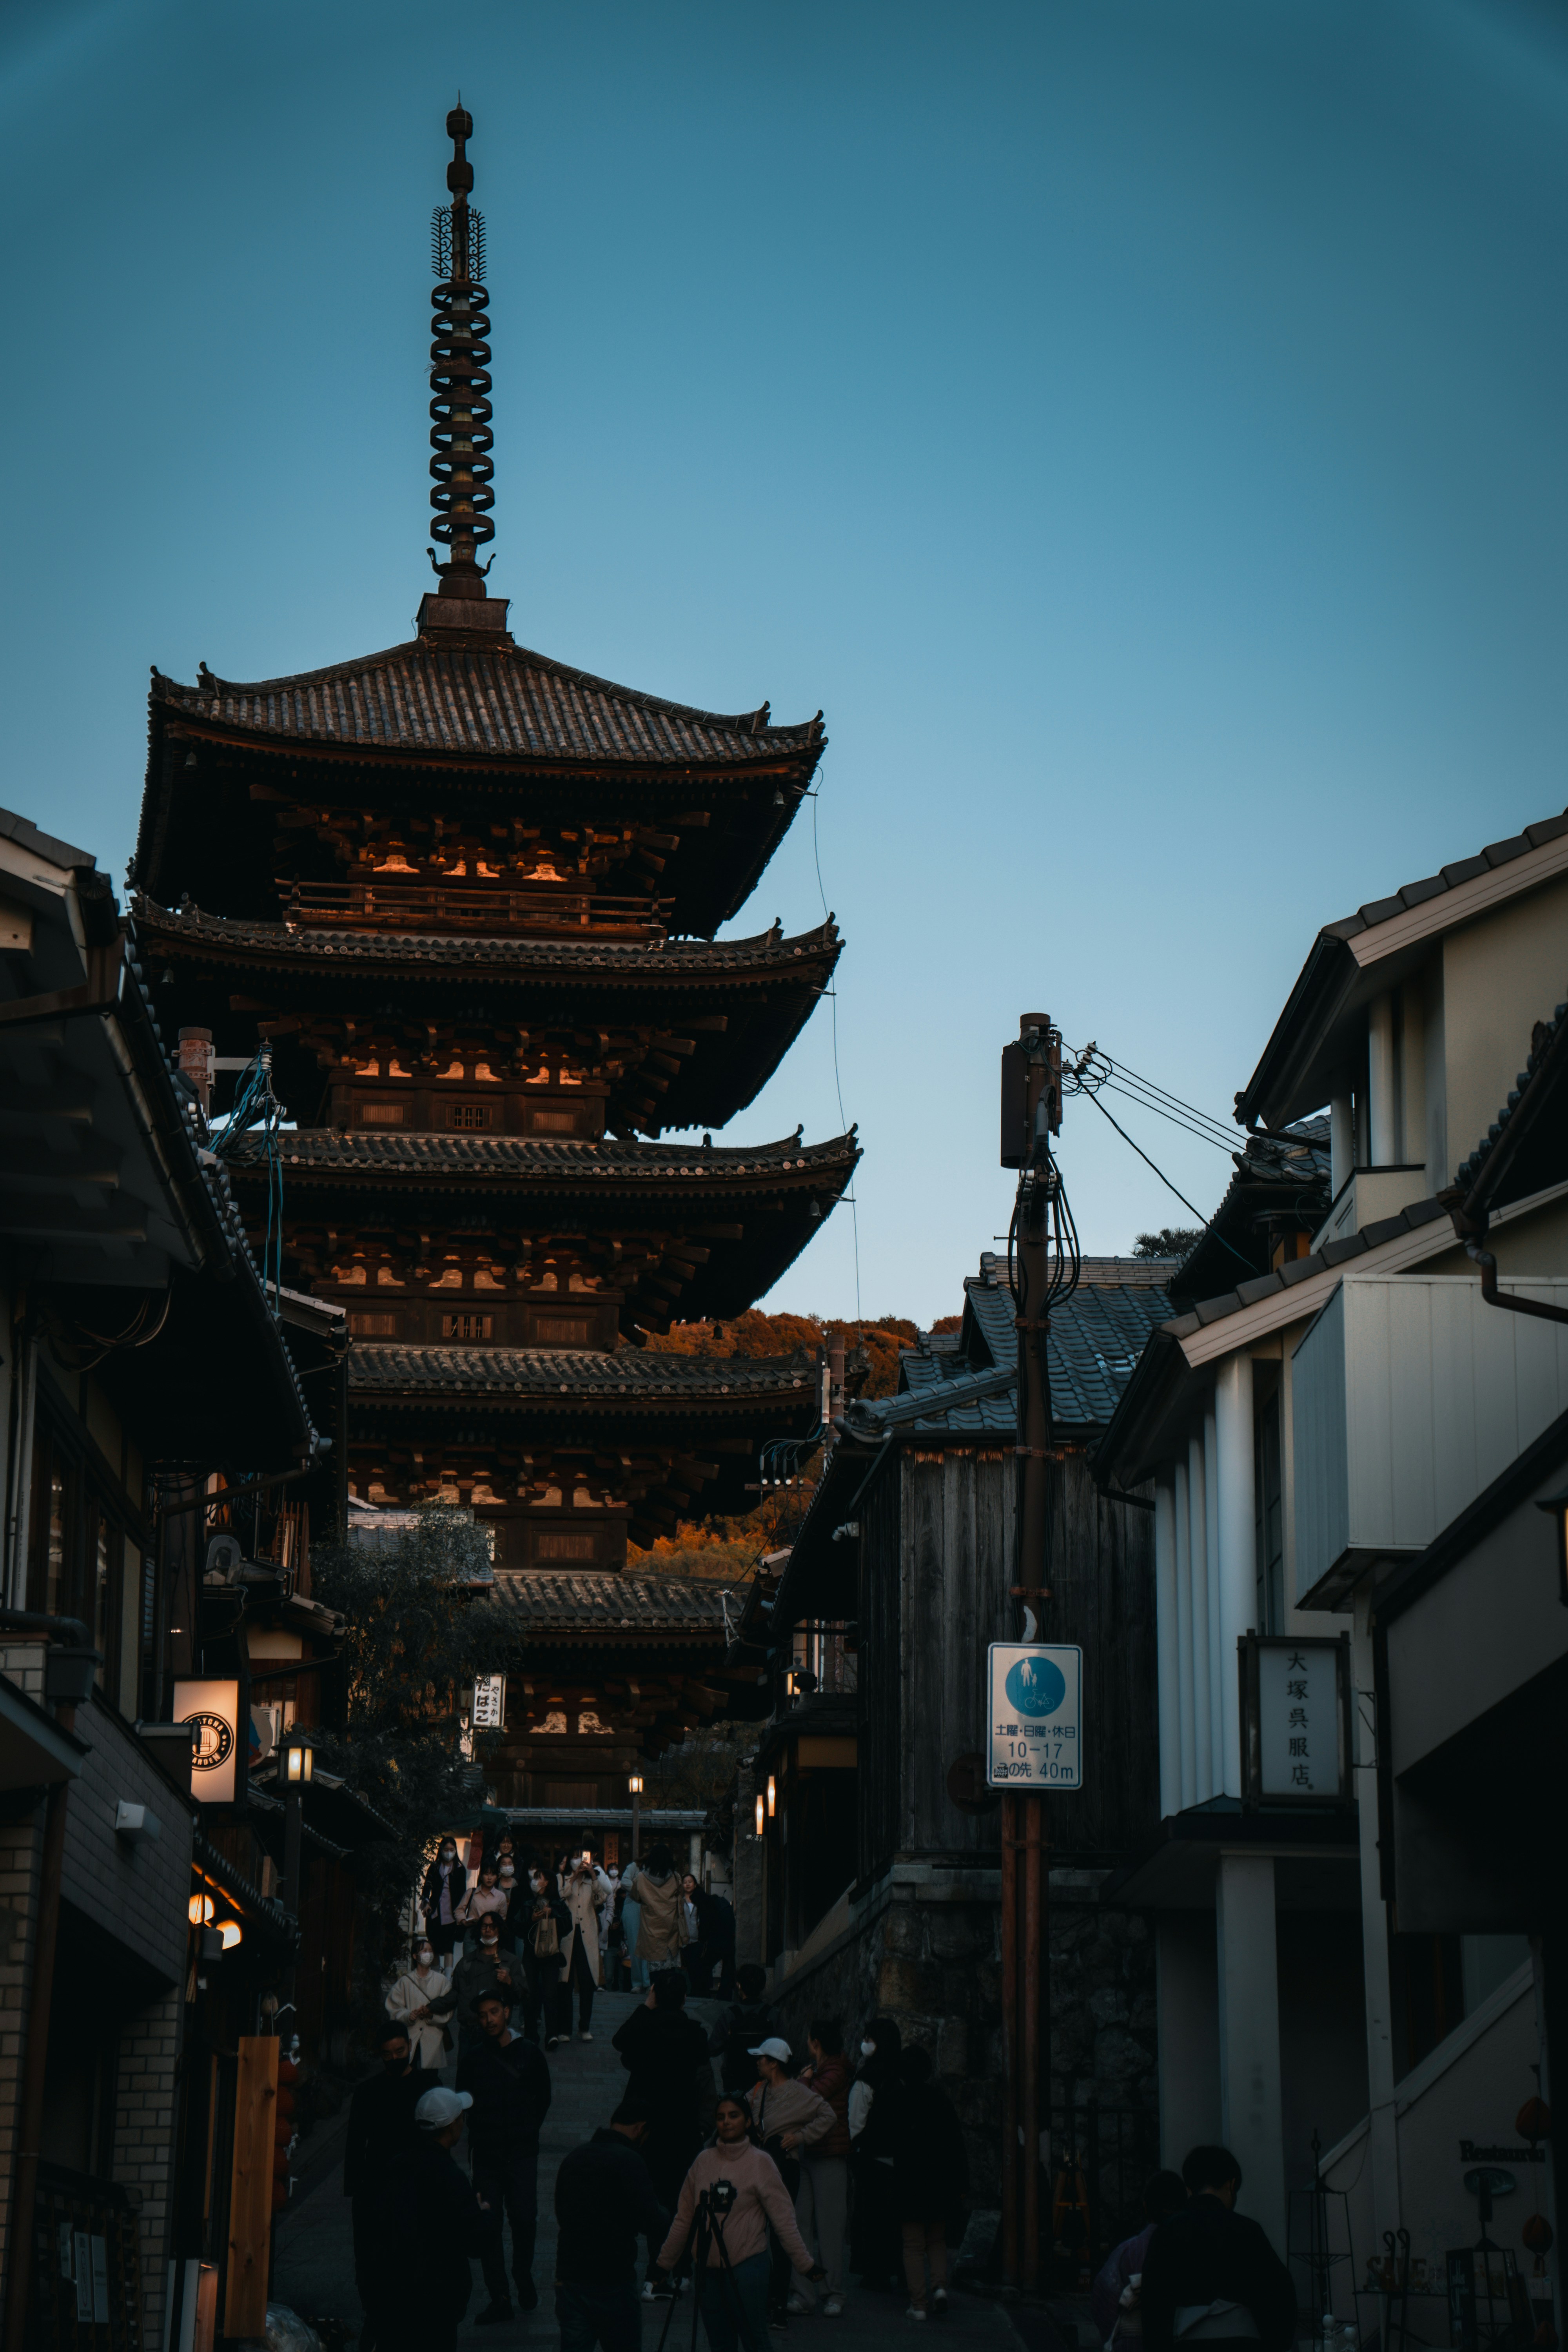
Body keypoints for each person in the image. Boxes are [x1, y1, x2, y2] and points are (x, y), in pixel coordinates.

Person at [655, 2092, 826, 2352]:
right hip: (708, 2271)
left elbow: (784, 2221)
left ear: (748, 2121)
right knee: (719, 2343)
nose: (726, 2122)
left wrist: (806, 2265)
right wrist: (663, 2265)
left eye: (734, 2116)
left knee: (754, 2339)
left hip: (747, 2268)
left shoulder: (761, 2162)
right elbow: (684, 2219)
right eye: (721, 2117)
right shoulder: (703, 2162)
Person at [457, 1984, 554, 2323]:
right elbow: (463, 2102)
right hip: (486, 2157)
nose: (488, 2020)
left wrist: (527, 2129)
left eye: (494, 2012)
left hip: (522, 2154)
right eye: (482, 2015)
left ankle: (522, 2273)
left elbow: (544, 2097)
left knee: (525, 2220)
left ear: (507, 2012)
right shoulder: (472, 2059)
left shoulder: (529, 2053)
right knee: (489, 2225)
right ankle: (500, 2295)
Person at [1139, 2146, 1296, 2352]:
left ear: (1190, 2189)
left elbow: (1153, 2304)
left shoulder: (1167, 2233)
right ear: (1231, 2185)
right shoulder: (1248, 2231)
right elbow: (1280, 2295)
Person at [376, 2085, 490, 2352]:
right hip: (438, 2295)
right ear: (453, 2126)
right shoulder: (450, 2177)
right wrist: (482, 2213)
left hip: (396, 2290)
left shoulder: (396, 2167)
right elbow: (475, 2243)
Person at [344, 2020, 434, 2352]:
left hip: (413, 2184)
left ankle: (398, 2318)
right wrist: (356, 2188)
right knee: (371, 2259)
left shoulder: (427, 2086)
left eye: (400, 2051)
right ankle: (376, 2315)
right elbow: (355, 2143)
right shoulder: (368, 2092)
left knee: (408, 2255)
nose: (395, 2058)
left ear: (409, 2048)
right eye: (388, 2054)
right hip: (377, 2186)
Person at [554, 2095, 670, 2352]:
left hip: (571, 2277)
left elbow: (561, 2212)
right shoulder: (630, 2161)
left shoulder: (575, 2157)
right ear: (641, 2129)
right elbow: (652, 2220)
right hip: (612, 2280)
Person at [612, 1968, 714, 2244]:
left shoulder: (646, 2030)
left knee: (651, 2200)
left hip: (647, 2130)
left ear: (656, 1995)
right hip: (683, 2128)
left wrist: (647, 2007)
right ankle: (679, 2269)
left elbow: (619, 2042)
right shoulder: (695, 2035)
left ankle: (656, 2271)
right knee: (681, 2201)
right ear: (684, 1999)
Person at [744, 2038, 834, 2324]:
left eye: (762, 2058)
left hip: (785, 2167)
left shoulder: (798, 2092)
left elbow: (827, 2115)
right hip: (761, 2166)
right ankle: (766, 2297)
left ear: (773, 2063)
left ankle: (778, 2303)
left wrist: (801, 2137)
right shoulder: (759, 2090)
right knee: (758, 2232)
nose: (757, 2062)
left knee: (781, 2236)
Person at [893, 2047, 967, 2321]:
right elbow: (957, 2145)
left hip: (910, 2182)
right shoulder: (940, 2100)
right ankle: (939, 2288)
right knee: (937, 2238)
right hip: (940, 2182)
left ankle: (919, 2304)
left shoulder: (898, 2100)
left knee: (913, 2244)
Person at [793, 2019, 852, 2316]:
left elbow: (809, 2100)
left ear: (816, 2042)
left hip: (829, 2154)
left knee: (830, 2226)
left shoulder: (836, 2071)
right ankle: (804, 2293)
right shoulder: (821, 2069)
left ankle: (833, 2293)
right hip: (807, 2151)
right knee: (799, 2222)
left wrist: (803, 2080)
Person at [1091, 2172, 1189, 2347]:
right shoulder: (1192, 2249)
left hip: (1132, 2342)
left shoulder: (1128, 2252)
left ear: (1146, 2207)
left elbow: (1104, 2301)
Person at [849, 2017, 904, 2291]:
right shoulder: (902, 2077)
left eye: (870, 2039)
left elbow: (856, 2123)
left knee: (871, 2220)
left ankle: (874, 2272)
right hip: (900, 2160)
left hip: (871, 2159)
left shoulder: (866, 2078)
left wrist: (857, 2151)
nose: (865, 2044)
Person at [557, 1848, 613, 2042]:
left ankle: (585, 2027)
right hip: (567, 1936)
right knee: (566, 1983)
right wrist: (573, 1879)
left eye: (580, 1858)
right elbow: (561, 1897)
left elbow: (602, 1899)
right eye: (574, 1858)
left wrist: (591, 1874)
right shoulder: (561, 1879)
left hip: (587, 1936)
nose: (577, 1861)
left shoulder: (592, 1880)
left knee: (587, 1981)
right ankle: (565, 2029)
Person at [708, 1964, 782, 2097]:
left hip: (735, 2080)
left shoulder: (729, 2014)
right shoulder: (773, 2014)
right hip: (766, 2080)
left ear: (739, 1986)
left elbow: (713, 2048)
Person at [385, 1936, 456, 2074]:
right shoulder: (405, 1982)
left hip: (433, 2040)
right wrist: (407, 2015)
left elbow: (449, 2011)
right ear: (415, 1956)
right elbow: (393, 2008)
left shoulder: (443, 1981)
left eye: (430, 1951)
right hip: (411, 2038)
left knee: (431, 2078)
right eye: (424, 1951)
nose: (428, 1954)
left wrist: (432, 2016)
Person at [450, 1915, 520, 2051]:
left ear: (499, 1931)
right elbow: (454, 1994)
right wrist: (430, 2008)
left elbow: (522, 1995)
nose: (488, 1930)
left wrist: (510, 1981)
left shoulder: (511, 1962)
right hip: (469, 2032)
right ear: (479, 1930)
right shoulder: (467, 1962)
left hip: (497, 2031)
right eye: (484, 1926)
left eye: (493, 1927)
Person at [521, 1866, 571, 2048]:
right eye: (534, 1878)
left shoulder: (558, 1904)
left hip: (551, 1954)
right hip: (531, 1954)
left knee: (551, 1994)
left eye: (539, 1877)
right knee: (531, 1994)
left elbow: (568, 1926)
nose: (535, 1882)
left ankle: (552, 2034)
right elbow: (517, 1927)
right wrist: (532, 1920)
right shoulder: (528, 1904)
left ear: (548, 1882)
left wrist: (554, 1915)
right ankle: (531, 2035)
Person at [628, 1844, 688, 1973]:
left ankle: (655, 1992)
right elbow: (680, 1897)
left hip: (651, 1928)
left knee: (655, 1973)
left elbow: (635, 1896)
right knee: (670, 1971)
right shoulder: (676, 1877)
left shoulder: (641, 1877)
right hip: (672, 1928)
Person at [421, 1837, 469, 1962]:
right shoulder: (435, 1867)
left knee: (449, 1948)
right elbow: (427, 1887)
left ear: (455, 1851)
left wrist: (461, 1913)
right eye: (446, 1849)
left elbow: (462, 1894)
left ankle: (447, 1978)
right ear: (441, 1850)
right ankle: (437, 1977)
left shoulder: (459, 1869)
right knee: (434, 1947)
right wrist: (426, 1903)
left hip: (451, 1914)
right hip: (435, 1913)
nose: (449, 1852)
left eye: (452, 1850)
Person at [694, 1882, 738, 1998]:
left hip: (717, 1941)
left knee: (704, 1966)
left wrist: (702, 1941)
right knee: (728, 1968)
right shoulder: (720, 1901)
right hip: (729, 1940)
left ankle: (704, 1994)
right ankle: (725, 1995)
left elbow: (705, 1930)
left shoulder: (706, 1906)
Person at [457, 1860, 509, 1953]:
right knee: (470, 1964)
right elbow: (459, 1910)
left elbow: (502, 1919)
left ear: (497, 1877)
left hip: (492, 1934)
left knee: (490, 1963)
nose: (489, 1878)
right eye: (486, 1874)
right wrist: (464, 1921)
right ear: (481, 1876)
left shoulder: (501, 1896)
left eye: (493, 1875)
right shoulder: (471, 1893)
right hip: (472, 1932)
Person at [681, 1871, 707, 1992]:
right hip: (683, 1941)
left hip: (698, 1940)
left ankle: (698, 1992)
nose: (688, 1884)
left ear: (695, 1884)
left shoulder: (701, 1900)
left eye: (690, 1882)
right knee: (687, 1970)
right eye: (685, 1882)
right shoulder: (680, 1902)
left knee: (698, 1969)